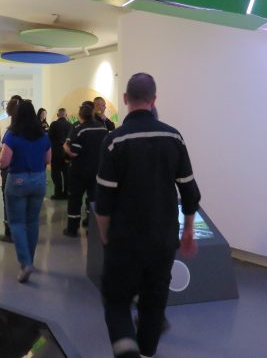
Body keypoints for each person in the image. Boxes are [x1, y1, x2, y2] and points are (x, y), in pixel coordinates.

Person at [95, 73, 201, 358]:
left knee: (117, 302)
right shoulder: (173, 137)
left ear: (125, 99)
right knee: (154, 303)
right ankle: (145, 354)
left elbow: (103, 203)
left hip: (124, 240)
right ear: (154, 100)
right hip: (162, 239)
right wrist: (188, 231)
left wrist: (106, 236)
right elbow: (190, 192)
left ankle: (127, 351)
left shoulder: (114, 141)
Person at [0, 100, 51, 283]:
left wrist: (1, 156)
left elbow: (4, 162)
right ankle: (31, 259)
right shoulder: (42, 134)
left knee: (17, 223)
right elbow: (48, 159)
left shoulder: (12, 135)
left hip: (18, 181)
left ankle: (25, 263)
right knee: (32, 221)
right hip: (38, 180)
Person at [63, 103, 108, 237]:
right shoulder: (103, 128)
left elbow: (74, 152)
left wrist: (65, 147)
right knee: (93, 199)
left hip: (79, 171)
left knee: (75, 199)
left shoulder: (80, 130)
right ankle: (92, 227)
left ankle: (72, 229)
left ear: (80, 115)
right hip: (97, 170)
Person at [0, 95, 23, 243]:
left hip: (8, 166)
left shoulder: (2, 124)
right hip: (26, 168)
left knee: (8, 198)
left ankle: (9, 231)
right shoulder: (30, 125)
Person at [48, 108, 72, 200]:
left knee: (56, 173)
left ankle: (58, 193)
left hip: (56, 152)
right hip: (67, 153)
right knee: (67, 174)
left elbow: (49, 138)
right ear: (66, 115)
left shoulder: (53, 124)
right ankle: (66, 193)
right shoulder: (70, 125)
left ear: (58, 115)